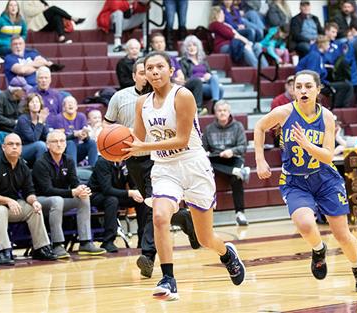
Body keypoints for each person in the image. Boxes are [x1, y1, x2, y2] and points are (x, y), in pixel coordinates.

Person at [123, 51, 245, 301]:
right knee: (158, 217)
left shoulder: (183, 95)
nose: (155, 72)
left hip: (193, 164)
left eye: (160, 67)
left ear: (170, 70)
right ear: (144, 74)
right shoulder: (141, 103)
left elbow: (180, 139)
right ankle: (168, 278)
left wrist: (142, 148)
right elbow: (137, 139)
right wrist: (117, 149)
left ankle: (227, 254)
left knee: (205, 238)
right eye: (149, 68)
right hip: (164, 167)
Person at [253, 69, 357, 293]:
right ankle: (318, 249)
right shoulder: (284, 112)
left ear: (318, 90)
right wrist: (260, 159)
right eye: (298, 87)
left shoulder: (326, 117)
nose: (303, 91)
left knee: (342, 234)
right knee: (306, 225)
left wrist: (307, 144)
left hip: (324, 179)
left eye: (308, 86)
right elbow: (259, 127)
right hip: (295, 180)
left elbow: (328, 156)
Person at [105, 57, 200, 278]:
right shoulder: (121, 98)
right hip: (134, 157)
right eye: (144, 70)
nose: (150, 73)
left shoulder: (174, 97)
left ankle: (148, 255)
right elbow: (108, 127)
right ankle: (183, 218)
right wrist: (111, 149)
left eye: (157, 68)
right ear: (136, 76)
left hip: (157, 157)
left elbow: (182, 136)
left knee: (152, 206)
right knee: (150, 205)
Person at [0, 133, 58, 266]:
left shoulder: (23, 166)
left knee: (33, 209)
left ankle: (41, 248)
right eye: (10, 144)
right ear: (3, 147)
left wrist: (34, 201)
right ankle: (3, 252)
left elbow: (28, 191)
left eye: (17, 144)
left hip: (7, 204)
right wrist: (9, 201)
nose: (14, 147)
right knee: (0, 211)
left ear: (21, 148)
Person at [33, 130, 106, 258]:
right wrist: (72, 192)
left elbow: (74, 182)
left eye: (62, 141)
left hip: (60, 199)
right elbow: (47, 190)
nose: (59, 144)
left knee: (83, 199)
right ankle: (57, 245)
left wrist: (81, 189)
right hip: (40, 201)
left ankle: (85, 242)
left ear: (66, 144)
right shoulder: (41, 163)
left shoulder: (69, 160)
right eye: (55, 141)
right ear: (48, 145)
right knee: (57, 200)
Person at [202, 100, 250, 226]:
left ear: (229, 112)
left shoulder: (238, 126)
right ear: (215, 113)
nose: (222, 113)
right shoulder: (209, 129)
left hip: (234, 158)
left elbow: (243, 147)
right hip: (216, 159)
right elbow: (203, 149)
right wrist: (206, 153)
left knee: (236, 178)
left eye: (225, 110)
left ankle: (240, 213)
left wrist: (231, 151)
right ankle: (239, 171)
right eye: (219, 110)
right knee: (205, 164)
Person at [88, 156, 144, 253]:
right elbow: (107, 189)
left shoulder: (127, 161)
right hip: (97, 195)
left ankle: (143, 240)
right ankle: (108, 241)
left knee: (142, 200)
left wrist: (137, 192)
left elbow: (133, 182)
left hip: (117, 195)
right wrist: (130, 193)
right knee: (112, 200)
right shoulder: (103, 162)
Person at [150, 33, 204, 112]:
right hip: (166, 84)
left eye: (162, 42)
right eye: (157, 42)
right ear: (152, 45)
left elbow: (179, 71)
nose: (160, 44)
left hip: (178, 83)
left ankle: (197, 108)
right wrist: (173, 80)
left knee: (197, 81)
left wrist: (180, 78)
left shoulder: (171, 57)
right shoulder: (151, 59)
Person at [296, 35, 353, 109]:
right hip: (316, 85)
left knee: (346, 85)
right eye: (328, 44)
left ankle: (338, 107)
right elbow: (311, 75)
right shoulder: (315, 56)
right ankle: (337, 108)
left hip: (321, 83)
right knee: (346, 86)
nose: (329, 46)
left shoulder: (318, 55)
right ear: (323, 45)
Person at [47, 96, 98, 167]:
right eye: (68, 103)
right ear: (64, 107)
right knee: (70, 143)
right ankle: (73, 171)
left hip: (77, 150)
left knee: (92, 142)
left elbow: (86, 139)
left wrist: (85, 136)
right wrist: (74, 135)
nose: (70, 105)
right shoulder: (58, 118)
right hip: (63, 151)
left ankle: (94, 169)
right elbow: (59, 139)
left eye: (73, 103)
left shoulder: (81, 116)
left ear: (76, 106)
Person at [0, 76, 28, 149]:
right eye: (24, 90)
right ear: (16, 91)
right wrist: (13, 122)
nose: (26, 92)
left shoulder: (20, 100)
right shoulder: (1, 97)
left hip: (10, 131)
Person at [179, 35, 225, 108]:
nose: (192, 48)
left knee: (216, 79)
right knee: (219, 89)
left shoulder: (203, 61)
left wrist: (209, 75)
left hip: (206, 84)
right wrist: (200, 79)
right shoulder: (183, 61)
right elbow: (184, 79)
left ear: (198, 47)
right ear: (186, 48)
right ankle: (216, 106)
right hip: (196, 86)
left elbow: (210, 74)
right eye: (189, 46)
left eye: (194, 45)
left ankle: (215, 102)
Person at [20, 0, 85, 44]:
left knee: (57, 16)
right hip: (35, 24)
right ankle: (73, 18)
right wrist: (44, 9)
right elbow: (28, 11)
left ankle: (61, 38)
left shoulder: (42, 1)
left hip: (45, 24)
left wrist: (46, 8)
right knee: (53, 8)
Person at [13, 93, 48, 165]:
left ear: (40, 104)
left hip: (34, 148)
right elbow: (33, 139)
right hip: (21, 149)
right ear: (28, 105)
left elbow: (46, 136)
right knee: (40, 145)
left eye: (37, 102)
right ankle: (40, 172)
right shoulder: (23, 119)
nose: (35, 104)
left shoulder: (41, 118)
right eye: (32, 102)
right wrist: (40, 122)